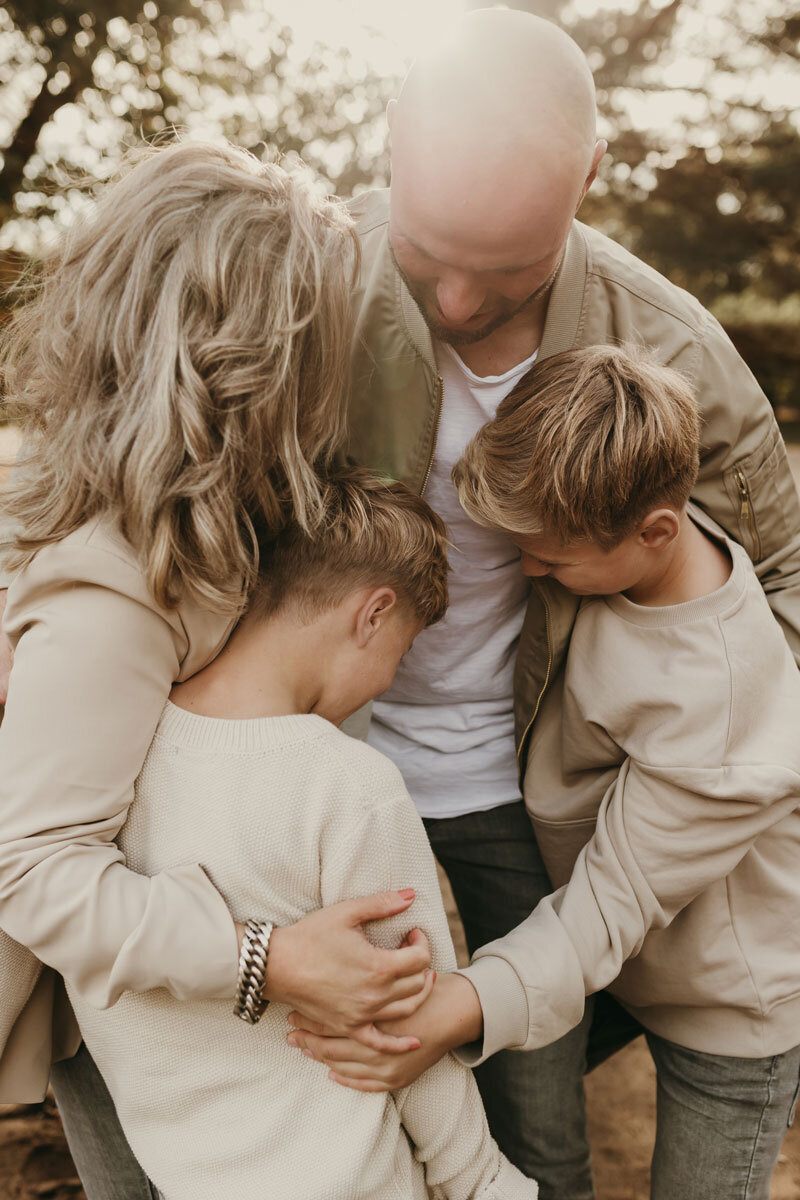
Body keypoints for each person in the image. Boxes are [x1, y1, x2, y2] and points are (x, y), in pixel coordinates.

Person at [4, 8, 800, 1198]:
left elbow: (771, 593)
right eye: (429, 258)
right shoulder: (302, 295)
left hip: (503, 796)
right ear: (386, 146)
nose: (461, 303)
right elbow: (130, 456)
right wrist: (263, 959)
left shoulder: (669, 351)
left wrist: (690, 748)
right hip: (282, 777)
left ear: (588, 176)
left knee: (518, 1125)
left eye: (510, 269)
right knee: (251, 1104)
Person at [0, 141, 437, 1199]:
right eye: (325, 339)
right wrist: (268, 960)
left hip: (176, 976)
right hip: (120, 999)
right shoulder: (113, 589)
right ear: (249, 355)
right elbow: (34, 870)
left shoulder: (218, 519)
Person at [303, 346, 800, 1198]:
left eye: (552, 559)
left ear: (656, 531)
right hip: (625, 955)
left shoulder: (718, 719)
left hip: (728, 1006)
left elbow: (608, 908)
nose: (530, 573)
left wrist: (448, 1011)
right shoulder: (634, 538)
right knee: (512, 1084)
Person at [66, 468, 538, 1200]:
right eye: (401, 655)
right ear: (373, 614)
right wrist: (482, 1180)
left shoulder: (112, 756)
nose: (384, 683)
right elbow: (405, 1019)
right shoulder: (348, 785)